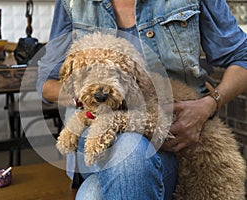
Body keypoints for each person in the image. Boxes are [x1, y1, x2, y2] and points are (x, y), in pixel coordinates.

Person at [37, 0, 247, 199]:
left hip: (177, 137)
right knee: (128, 150)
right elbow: (47, 82)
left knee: (92, 195)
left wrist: (208, 104)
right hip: (93, 132)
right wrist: (91, 96)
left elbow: (242, 55)